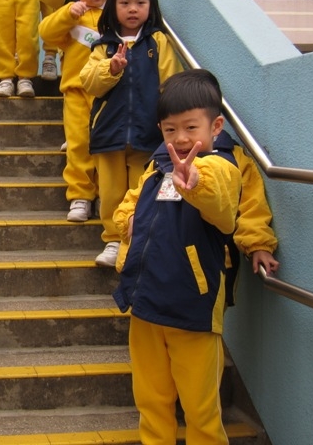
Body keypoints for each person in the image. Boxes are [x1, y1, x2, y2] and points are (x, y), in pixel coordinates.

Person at [112, 68, 243, 445]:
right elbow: (129, 204)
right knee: (151, 402)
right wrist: (128, 222)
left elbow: (221, 207)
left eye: (190, 127)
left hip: (192, 308)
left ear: (215, 126)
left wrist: (195, 183)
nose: (181, 138)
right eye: (170, 129)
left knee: (201, 411)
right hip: (145, 303)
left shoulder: (220, 166)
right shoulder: (157, 167)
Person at [80, 0, 183, 265]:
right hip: (109, 133)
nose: (133, 9)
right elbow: (89, 82)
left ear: (151, 7)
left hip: (148, 134)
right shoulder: (104, 46)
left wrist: (168, 127)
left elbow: (170, 83)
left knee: (144, 189)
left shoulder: (158, 41)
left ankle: (137, 241)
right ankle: (113, 240)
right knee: (111, 192)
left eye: (140, 2)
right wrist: (111, 68)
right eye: (125, 3)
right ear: (113, 7)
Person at [39, 0, 108, 222]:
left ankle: (103, 193)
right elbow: (46, 32)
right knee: (78, 144)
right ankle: (80, 195)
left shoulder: (114, 14)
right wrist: (68, 14)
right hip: (76, 90)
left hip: (106, 92)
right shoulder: (72, 14)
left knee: (106, 145)